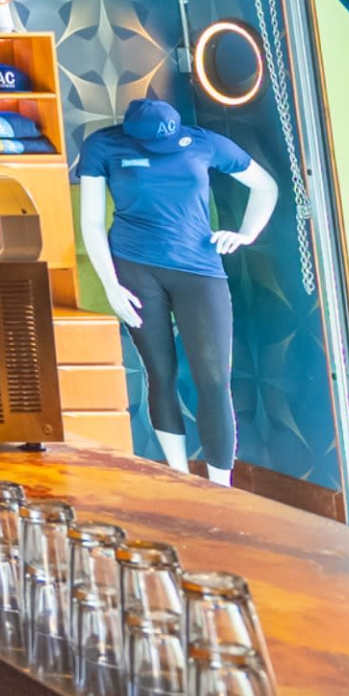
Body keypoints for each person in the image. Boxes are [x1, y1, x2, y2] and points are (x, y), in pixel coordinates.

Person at [70, 94, 274, 482]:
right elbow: (93, 222)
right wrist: (110, 284)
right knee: (160, 372)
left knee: (214, 380)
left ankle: (220, 489)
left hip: (200, 267)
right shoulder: (104, 145)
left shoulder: (204, 142)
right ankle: (179, 477)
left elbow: (265, 187)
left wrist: (246, 234)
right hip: (134, 269)